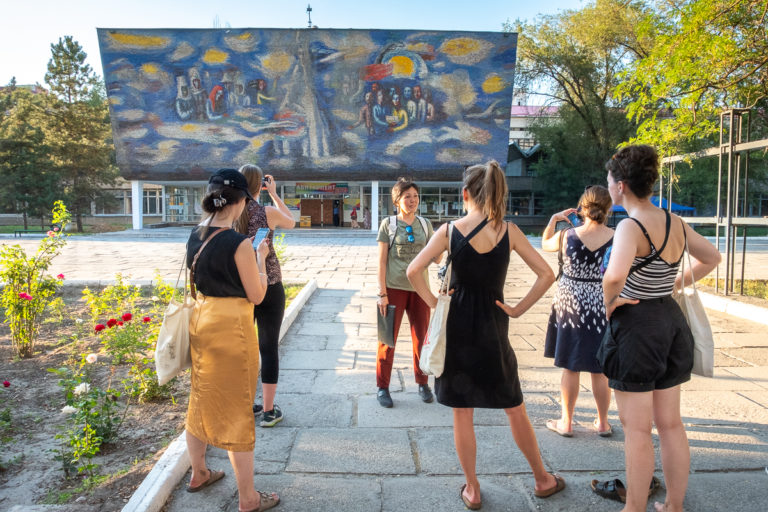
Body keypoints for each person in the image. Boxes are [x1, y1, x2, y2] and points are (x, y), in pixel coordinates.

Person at [406, 161, 565, 509]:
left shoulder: (449, 231)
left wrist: (434, 302)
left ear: (465, 194)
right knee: (514, 407)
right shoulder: (508, 231)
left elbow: (413, 269)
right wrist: (518, 309)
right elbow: (546, 273)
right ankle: (542, 478)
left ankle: (473, 489)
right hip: (494, 329)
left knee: (462, 412)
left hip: (457, 330)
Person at [598, 145, 720, 512]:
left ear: (620, 186)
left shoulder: (629, 227)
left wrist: (608, 304)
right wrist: (672, 284)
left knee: (637, 430)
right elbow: (712, 257)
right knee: (670, 424)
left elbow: (614, 276)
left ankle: (633, 507)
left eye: (609, 181)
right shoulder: (675, 222)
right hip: (670, 322)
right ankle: (674, 505)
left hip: (637, 327)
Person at [185, 168, 280, 512]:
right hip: (232, 330)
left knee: (200, 398)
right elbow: (256, 295)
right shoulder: (239, 244)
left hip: (202, 322)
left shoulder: (195, 234)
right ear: (240, 202)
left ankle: (199, 472)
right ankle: (249, 498)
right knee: (239, 408)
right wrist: (260, 258)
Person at [540, 186, 614, 437]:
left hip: (570, 301)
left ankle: (567, 422)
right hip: (600, 302)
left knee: (571, 366)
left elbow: (544, 244)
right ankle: (603, 422)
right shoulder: (617, 237)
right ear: (608, 208)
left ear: (581, 208)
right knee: (599, 367)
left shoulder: (566, 235)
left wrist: (553, 220)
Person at [235, 164, 296, 428]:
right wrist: (273, 193)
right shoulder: (266, 212)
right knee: (268, 348)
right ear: (260, 184)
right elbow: (291, 221)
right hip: (269, 285)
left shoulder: (232, 215)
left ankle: (246, 403)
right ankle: (269, 411)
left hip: (241, 289)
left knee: (244, 348)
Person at [376, 177, 437, 408]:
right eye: (407, 197)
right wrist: (382, 293)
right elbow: (382, 262)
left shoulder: (425, 224)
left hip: (420, 290)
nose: (412, 201)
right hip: (393, 289)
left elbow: (436, 255)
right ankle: (382, 387)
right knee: (387, 340)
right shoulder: (389, 225)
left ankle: (422, 383)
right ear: (397, 200)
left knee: (422, 339)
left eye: (415, 196)